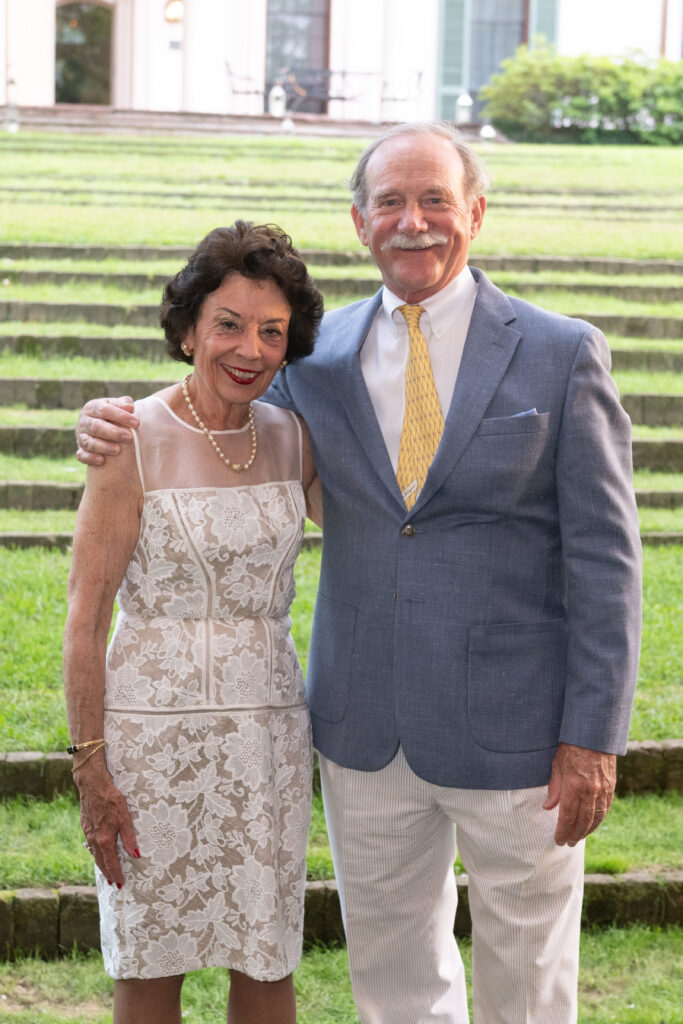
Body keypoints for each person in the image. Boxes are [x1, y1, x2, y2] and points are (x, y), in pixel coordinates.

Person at [76, 123, 642, 1024]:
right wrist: (106, 420)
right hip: (361, 730)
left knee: (530, 981)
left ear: (475, 214)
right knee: (392, 977)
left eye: (435, 200)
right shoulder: (314, 359)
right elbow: (218, 410)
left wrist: (593, 735)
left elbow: (607, 560)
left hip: (521, 735)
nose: (412, 221)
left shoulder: (559, 351)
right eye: (390, 202)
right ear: (359, 221)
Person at [64, 220, 324, 1024]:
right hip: (151, 746)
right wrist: (91, 767)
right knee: (150, 963)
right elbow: (85, 617)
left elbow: (385, 532)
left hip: (266, 737)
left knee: (266, 959)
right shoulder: (129, 439)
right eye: (229, 324)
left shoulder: (294, 437)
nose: (250, 348)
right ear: (187, 330)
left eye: (272, 331)